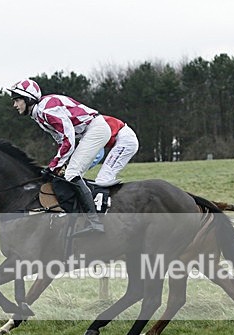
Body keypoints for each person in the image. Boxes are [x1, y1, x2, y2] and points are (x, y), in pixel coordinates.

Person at [8, 78, 139, 235]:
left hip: (97, 130)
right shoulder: (38, 114)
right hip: (92, 131)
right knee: (68, 175)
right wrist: (57, 165)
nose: (15, 105)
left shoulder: (46, 110)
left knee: (73, 174)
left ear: (28, 98)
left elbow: (68, 138)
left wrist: (53, 165)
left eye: (17, 100)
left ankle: (95, 222)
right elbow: (60, 140)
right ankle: (80, 216)